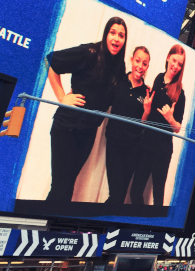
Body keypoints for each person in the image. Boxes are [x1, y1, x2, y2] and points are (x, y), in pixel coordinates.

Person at [45, 17, 127, 203]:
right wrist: (62, 97)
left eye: (121, 35)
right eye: (112, 33)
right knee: (60, 187)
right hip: (67, 127)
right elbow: (51, 61)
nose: (116, 39)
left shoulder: (119, 66)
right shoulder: (89, 52)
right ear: (106, 34)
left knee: (68, 186)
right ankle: (38, 228)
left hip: (88, 132)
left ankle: (52, 229)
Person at [129, 46, 187, 206]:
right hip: (146, 145)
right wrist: (146, 109)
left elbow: (177, 128)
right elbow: (149, 113)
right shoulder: (158, 79)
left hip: (163, 151)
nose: (176, 66)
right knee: (135, 192)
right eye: (174, 60)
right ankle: (138, 225)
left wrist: (170, 118)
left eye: (180, 64)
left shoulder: (180, 93)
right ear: (168, 57)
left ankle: (152, 230)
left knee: (158, 198)